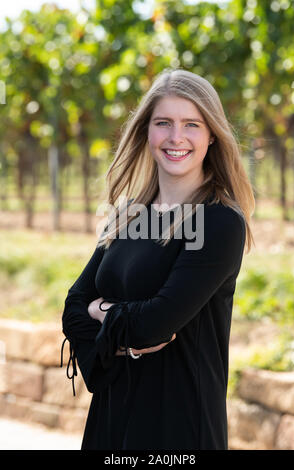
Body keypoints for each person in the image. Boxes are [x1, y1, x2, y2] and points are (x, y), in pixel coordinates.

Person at [61, 68, 255, 450]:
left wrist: (99, 315)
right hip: (111, 419)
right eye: (163, 123)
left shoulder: (218, 221)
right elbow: (72, 309)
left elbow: (155, 324)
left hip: (178, 424)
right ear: (146, 132)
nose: (175, 137)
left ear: (212, 134)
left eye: (191, 124)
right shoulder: (128, 216)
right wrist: (115, 320)